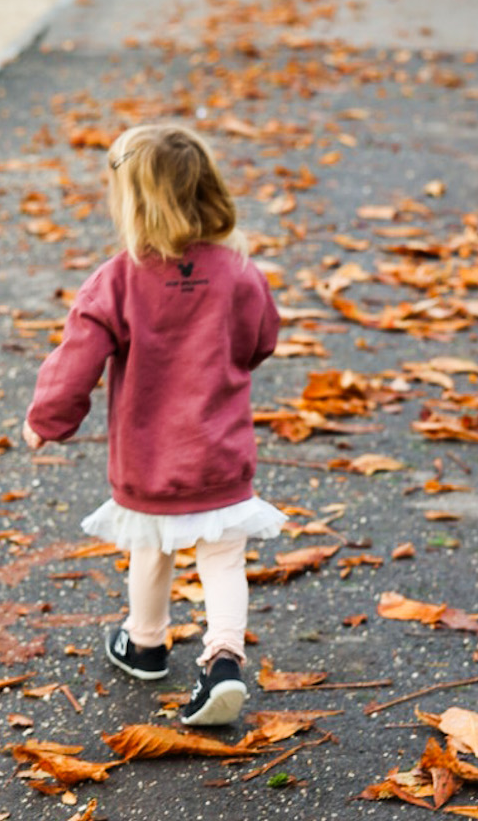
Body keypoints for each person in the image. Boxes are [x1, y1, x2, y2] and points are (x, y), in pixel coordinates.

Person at [23, 123, 283, 727]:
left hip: (148, 457)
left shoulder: (118, 279)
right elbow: (260, 339)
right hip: (218, 451)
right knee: (222, 559)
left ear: (130, 202)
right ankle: (223, 657)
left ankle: (145, 644)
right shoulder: (238, 272)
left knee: (150, 547)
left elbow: (75, 362)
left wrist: (47, 420)